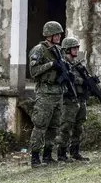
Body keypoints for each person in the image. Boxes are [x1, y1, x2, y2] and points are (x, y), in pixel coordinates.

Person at [28, 21, 65, 167]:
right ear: (49, 35)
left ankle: (48, 156)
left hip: (58, 92)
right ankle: (35, 158)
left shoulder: (59, 51)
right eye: (56, 34)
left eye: (59, 34)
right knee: (40, 125)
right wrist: (50, 65)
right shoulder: (39, 50)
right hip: (45, 92)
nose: (59, 36)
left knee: (54, 126)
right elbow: (33, 72)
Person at [56, 36, 89, 161]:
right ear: (67, 50)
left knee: (78, 127)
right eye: (73, 48)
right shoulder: (63, 64)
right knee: (66, 127)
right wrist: (81, 81)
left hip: (80, 99)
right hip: (68, 100)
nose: (76, 50)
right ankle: (61, 153)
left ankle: (75, 151)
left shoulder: (77, 64)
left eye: (76, 47)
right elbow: (66, 80)